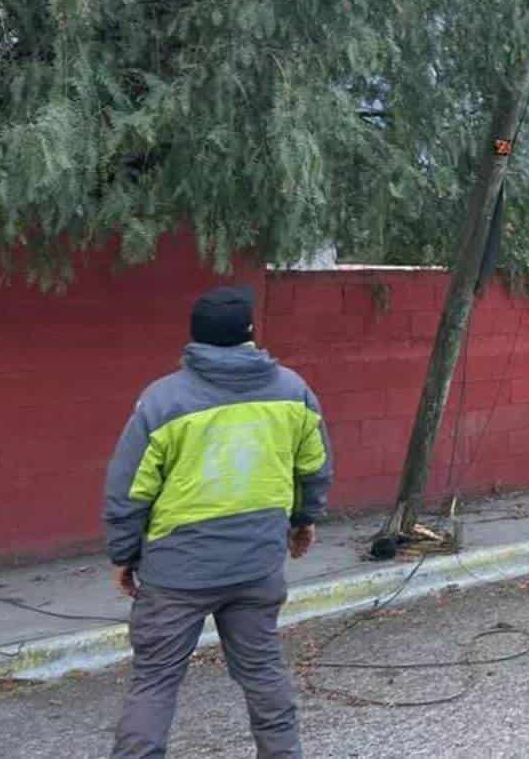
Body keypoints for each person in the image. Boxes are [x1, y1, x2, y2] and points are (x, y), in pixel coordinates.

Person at [105, 286, 332, 759]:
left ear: (195, 338)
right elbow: (313, 467)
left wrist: (124, 554)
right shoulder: (294, 392)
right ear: (251, 334)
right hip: (256, 565)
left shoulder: (163, 401)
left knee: (155, 682)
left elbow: (130, 489)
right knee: (264, 671)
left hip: (176, 574)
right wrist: (304, 519)